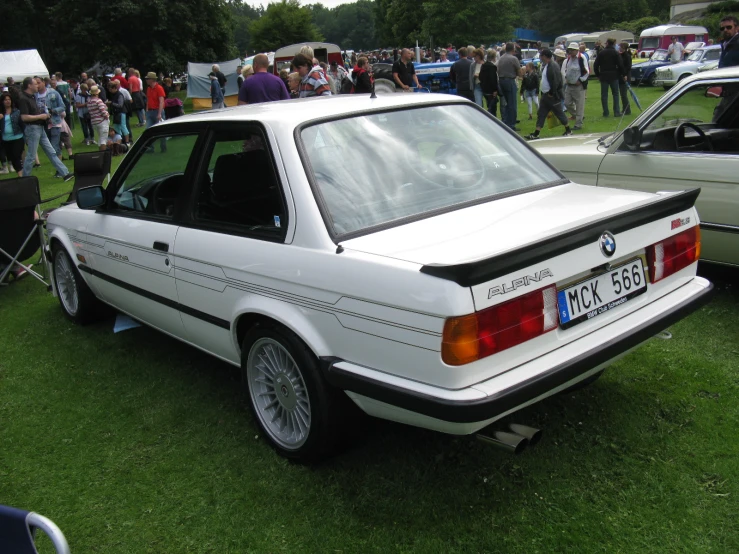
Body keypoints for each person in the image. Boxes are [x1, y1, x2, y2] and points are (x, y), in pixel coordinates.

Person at [19, 77, 71, 179]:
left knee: (51, 152)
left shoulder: (32, 97)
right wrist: (40, 116)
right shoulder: (23, 99)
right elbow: (24, 117)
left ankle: (65, 173)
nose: (37, 86)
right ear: (29, 85)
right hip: (33, 128)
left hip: (40, 127)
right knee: (31, 156)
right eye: (35, 84)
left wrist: (44, 115)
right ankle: (25, 179)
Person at [525, 50, 572, 140]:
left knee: (559, 113)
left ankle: (568, 130)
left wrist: (551, 93)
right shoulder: (546, 65)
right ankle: (536, 134)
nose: (540, 57)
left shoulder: (553, 66)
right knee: (541, 113)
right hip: (545, 95)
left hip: (552, 95)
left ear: (545, 56)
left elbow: (556, 81)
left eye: (541, 56)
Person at [35, 77, 66, 163]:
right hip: (42, 123)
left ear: (44, 82)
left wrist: (53, 110)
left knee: (54, 146)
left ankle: (60, 170)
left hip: (54, 122)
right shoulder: (34, 96)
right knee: (50, 147)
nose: (37, 85)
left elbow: (62, 107)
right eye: (35, 83)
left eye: (38, 82)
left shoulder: (53, 93)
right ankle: (60, 166)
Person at [593, 38, 624, 117]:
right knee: (616, 94)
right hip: (614, 75)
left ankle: (605, 112)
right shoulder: (615, 53)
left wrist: (598, 75)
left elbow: (596, 65)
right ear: (613, 43)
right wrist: (621, 73)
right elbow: (620, 65)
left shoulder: (601, 53)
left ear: (607, 43)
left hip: (603, 75)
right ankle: (616, 112)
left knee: (604, 95)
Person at [562, 43, 589, 130]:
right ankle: (577, 115)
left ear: (576, 50)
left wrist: (580, 80)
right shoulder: (569, 58)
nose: (570, 51)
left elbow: (586, 71)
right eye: (569, 49)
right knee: (567, 103)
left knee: (579, 105)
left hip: (578, 86)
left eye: (572, 50)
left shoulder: (581, 58)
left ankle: (578, 124)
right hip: (569, 84)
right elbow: (566, 69)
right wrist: (566, 77)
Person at [498, 42, 522, 130]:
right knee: (512, 104)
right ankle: (511, 124)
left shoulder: (501, 58)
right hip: (510, 80)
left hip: (501, 81)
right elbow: (519, 72)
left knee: (506, 103)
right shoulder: (513, 59)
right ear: (513, 49)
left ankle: (506, 121)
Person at [0, 92, 25, 176]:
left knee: (16, 156)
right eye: (5, 100)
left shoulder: (17, 112)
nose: (7, 101)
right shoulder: (1, 113)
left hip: (17, 137)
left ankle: (20, 175)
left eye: (9, 99)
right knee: (12, 158)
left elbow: (22, 124)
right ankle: (20, 172)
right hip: (6, 139)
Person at [107, 81, 131, 146]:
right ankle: (120, 141)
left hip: (121, 113)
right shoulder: (113, 95)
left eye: (111, 89)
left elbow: (120, 105)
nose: (110, 90)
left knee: (123, 126)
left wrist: (111, 103)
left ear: (115, 88)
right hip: (116, 113)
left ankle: (127, 141)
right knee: (116, 127)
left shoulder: (119, 95)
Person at [87, 85, 109, 151]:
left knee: (100, 138)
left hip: (94, 121)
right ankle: (103, 154)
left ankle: (100, 153)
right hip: (102, 121)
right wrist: (107, 115)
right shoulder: (98, 101)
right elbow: (103, 111)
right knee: (103, 139)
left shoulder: (89, 101)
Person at [480, 49, 499, 117]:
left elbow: (480, 77)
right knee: (493, 108)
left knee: (489, 105)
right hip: (491, 90)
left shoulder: (483, 65)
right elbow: (493, 79)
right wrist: (495, 90)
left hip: (485, 89)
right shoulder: (492, 67)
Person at [618, 42, 632, 116]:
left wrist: (625, 74)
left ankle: (627, 109)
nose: (619, 48)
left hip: (625, 76)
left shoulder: (627, 55)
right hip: (622, 76)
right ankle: (625, 108)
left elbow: (628, 67)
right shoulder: (621, 55)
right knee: (622, 94)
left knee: (623, 94)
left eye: (620, 47)